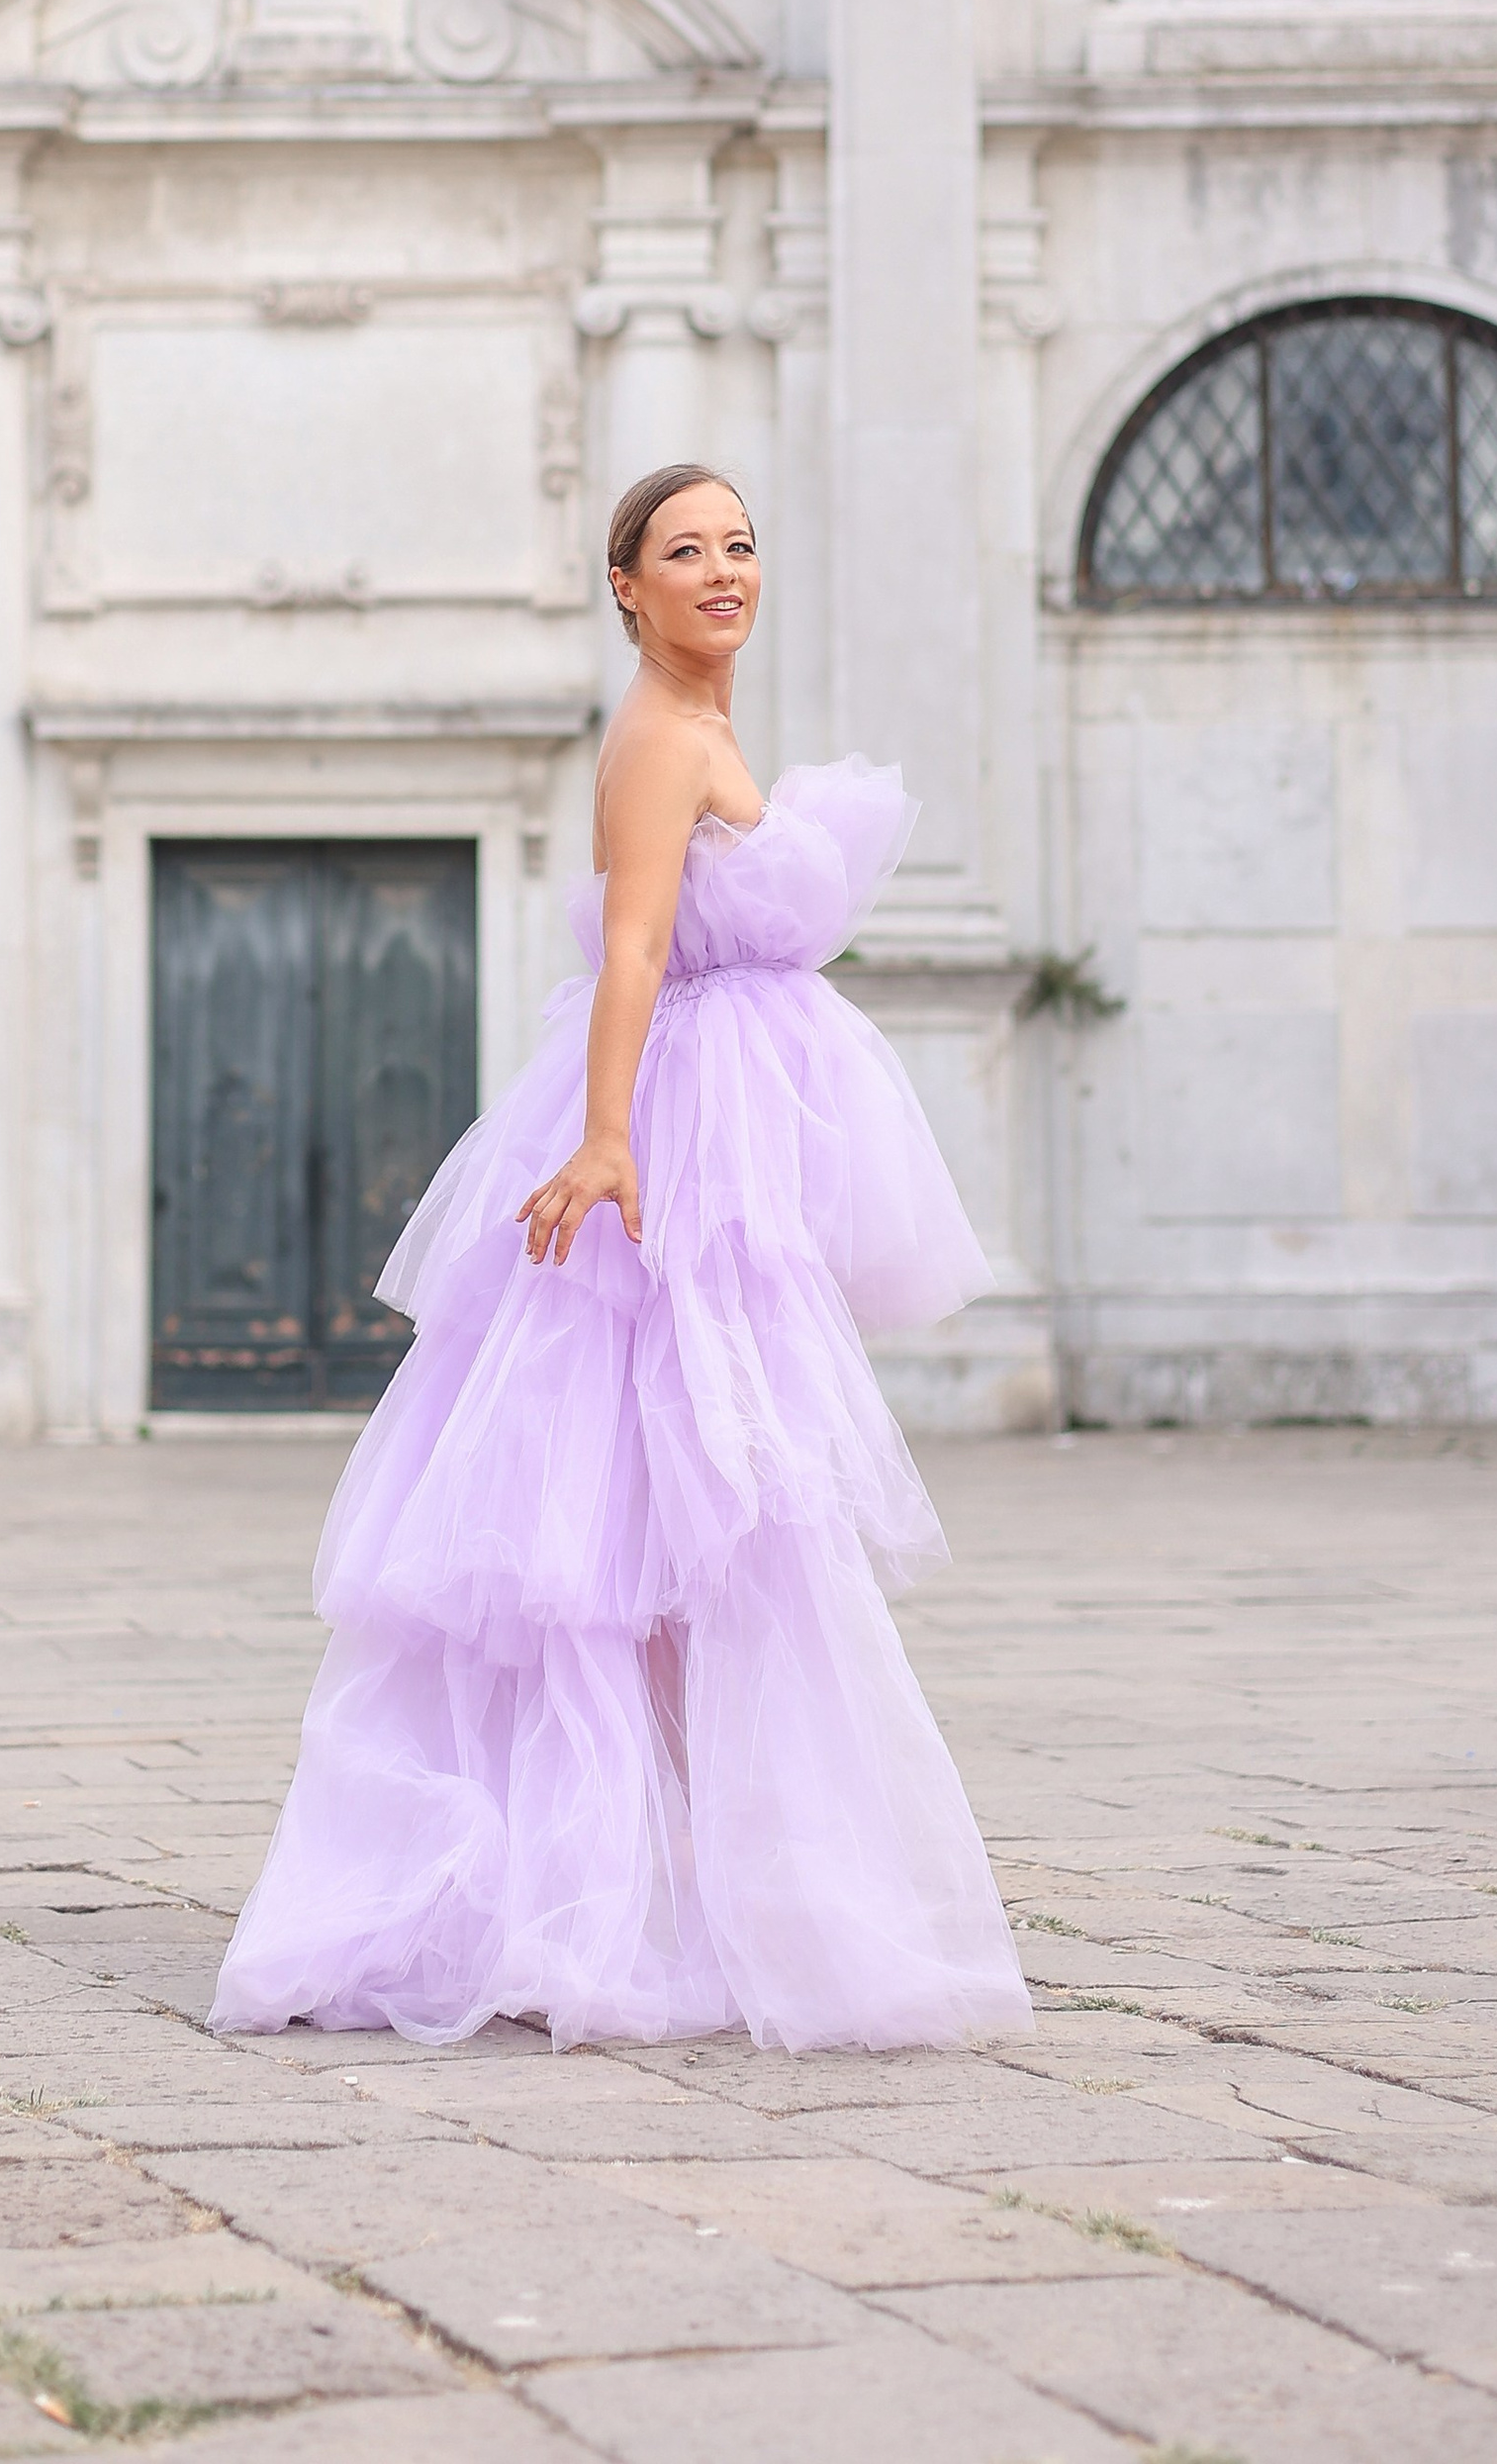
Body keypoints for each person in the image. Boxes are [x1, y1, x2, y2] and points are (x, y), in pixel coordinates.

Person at [211, 462, 1030, 2051]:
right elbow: (639, 946)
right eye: (683, 552)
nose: (722, 572)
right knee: (658, 1521)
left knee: (697, 1526)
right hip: (668, 1154)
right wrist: (604, 1137)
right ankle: (598, 1899)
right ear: (625, 589)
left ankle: (681, 1890)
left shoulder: (709, 730)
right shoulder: (660, 743)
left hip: (724, 1152)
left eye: (738, 545)